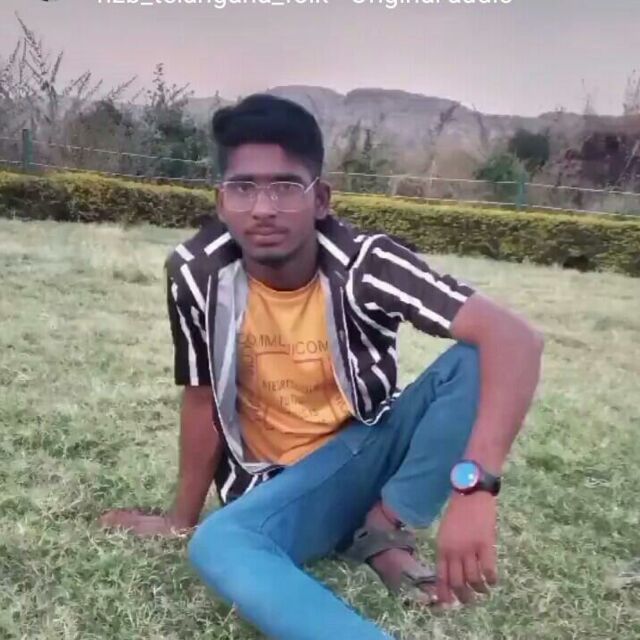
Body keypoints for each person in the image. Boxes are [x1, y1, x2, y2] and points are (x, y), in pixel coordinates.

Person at [100, 94, 544, 639]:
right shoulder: (197, 275)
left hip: (366, 454)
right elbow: (201, 395)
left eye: (286, 187)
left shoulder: (366, 264)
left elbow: (516, 340)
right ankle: (362, 546)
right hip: (277, 487)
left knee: (475, 360)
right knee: (221, 542)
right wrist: (180, 520)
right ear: (221, 201)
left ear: (321, 199)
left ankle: (384, 526)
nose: (263, 208)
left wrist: (475, 490)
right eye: (243, 188)